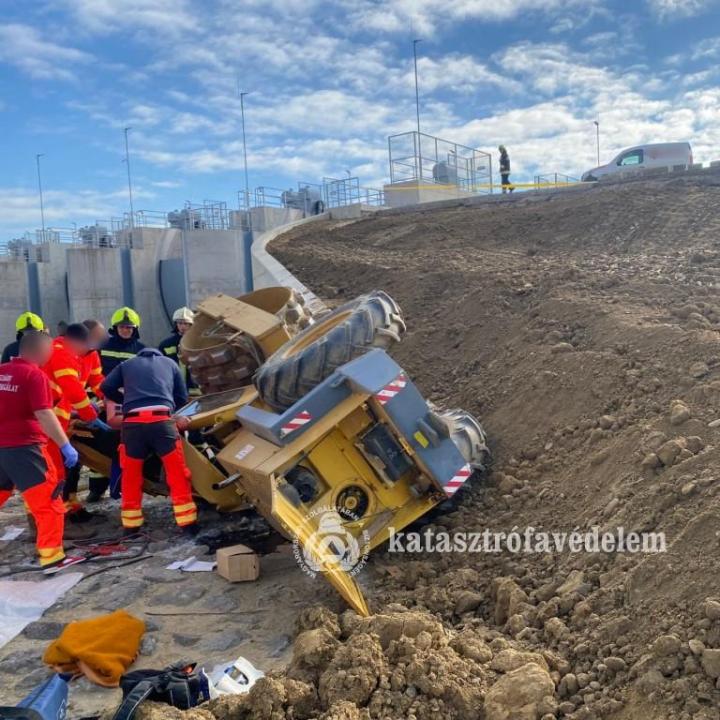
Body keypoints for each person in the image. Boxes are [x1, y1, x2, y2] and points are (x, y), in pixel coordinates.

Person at [0, 330, 79, 570]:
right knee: (49, 503)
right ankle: (53, 557)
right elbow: (44, 413)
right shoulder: (34, 375)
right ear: (41, 350)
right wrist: (65, 445)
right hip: (25, 448)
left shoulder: (2, 372)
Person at [101, 348, 197, 533]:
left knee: (130, 474)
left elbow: (105, 387)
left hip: (132, 424)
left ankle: (131, 525)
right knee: (176, 472)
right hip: (161, 421)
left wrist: (128, 400)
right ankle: (188, 523)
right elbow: (182, 397)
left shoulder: (126, 365)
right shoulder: (170, 364)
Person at [43, 324, 109, 514]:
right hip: (49, 417)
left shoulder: (91, 354)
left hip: (63, 416)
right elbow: (72, 388)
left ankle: (69, 503)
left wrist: (111, 397)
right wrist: (89, 414)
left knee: (69, 464)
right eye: (96, 338)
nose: (98, 343)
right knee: (53, 467)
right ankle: (58, 514)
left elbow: (98, 381)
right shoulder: (60, 352)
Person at [158, 307, 200, 397]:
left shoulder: (198, 344)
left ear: (191, 325)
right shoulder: (166, 345)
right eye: (180, 323)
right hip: (174, 392)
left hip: (196, 392)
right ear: (176, 324)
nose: (183, 326)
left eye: (186, 323)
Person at [99, 307, 145, 377]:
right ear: (115, 328)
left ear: (135, 329)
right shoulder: (102, 346)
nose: (125, 330)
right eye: (121, 327)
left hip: (131, 387)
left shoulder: (141, 350)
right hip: (107, 387)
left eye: (128, 327)